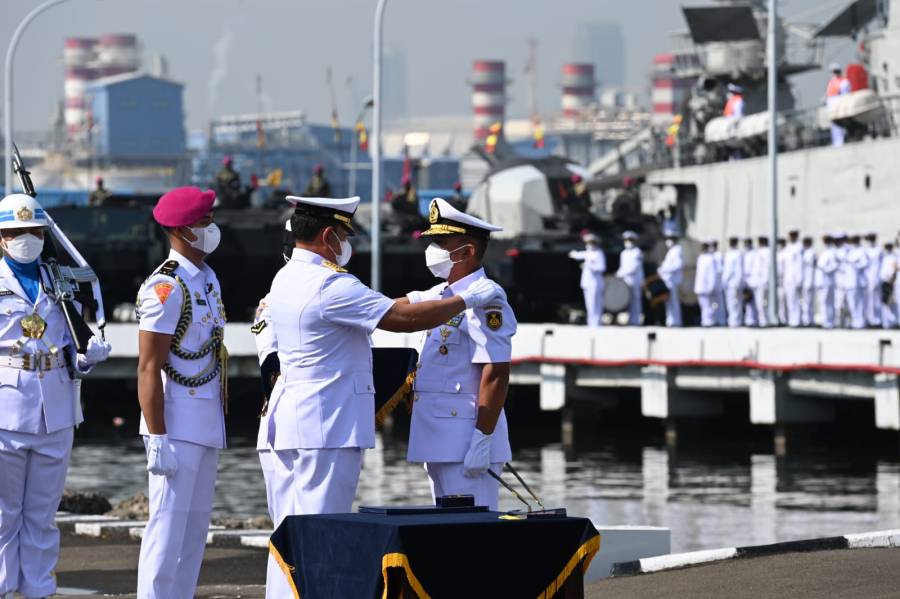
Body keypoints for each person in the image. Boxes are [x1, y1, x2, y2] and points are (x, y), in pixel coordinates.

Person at [262, 195, 502, 598]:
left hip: (293, 423)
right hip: (327, 428)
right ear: (328, 236)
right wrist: (464, 299)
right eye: (343, 235)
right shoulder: (329, 283)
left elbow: (494, 366)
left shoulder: (285, 277)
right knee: (321, 537)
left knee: (289, 538)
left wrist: (435, 297)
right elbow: (400, 318)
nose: (345, 244)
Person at [0, 194, 111, 599]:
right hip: (5, 408)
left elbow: (70, 344)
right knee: (3, 513)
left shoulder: (60, 281)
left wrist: (85, 358)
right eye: (17, 232)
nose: (26, 239)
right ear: (1, 237)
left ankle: (38, 589)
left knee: (43, 513)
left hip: (56, 407)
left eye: (34, 231)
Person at [135, 187, 227, 599]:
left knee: (194, 533)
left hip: (206, 419)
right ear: (183, 230)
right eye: (205, 222)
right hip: (174, 424)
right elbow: (148, 366)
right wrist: (157, 436)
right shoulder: (166, 287)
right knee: (167, 529)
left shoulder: (207, 278)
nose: (211, 229)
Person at [406, 197, 516, 510]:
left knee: (472, 532)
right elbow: (392, 309)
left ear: (467, 252)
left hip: (467, 442)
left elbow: (496, 371)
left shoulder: (487, 299)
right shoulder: (443, 294)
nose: (433, 250)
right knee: (447, 531)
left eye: (441, 243)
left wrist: (482, 439)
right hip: (439, 441)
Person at [569, 232, 606, 327]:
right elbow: (579, 255)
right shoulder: (588, 253)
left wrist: (589, 265)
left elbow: (601, 267)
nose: (590, 244)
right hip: (587, 283)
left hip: (595, 283)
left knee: (596, 304)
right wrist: (574, 254)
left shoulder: (598, 253)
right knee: (589, 304)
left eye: (592, 242)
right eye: (588, 242)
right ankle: (591, 323)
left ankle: (597, 323)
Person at [657, 229, 684, 326]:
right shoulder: (671, 251)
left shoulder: (677, 250)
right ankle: (670, 321)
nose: (668, 241)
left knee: (673, 301)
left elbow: (678, 265)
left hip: (673, 280)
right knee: (668, 302)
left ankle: (676, 321)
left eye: (670, 239)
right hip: (668, 280)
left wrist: (664, 269)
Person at [617, 231, 644, 325]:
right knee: (626, 301)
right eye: (627, 240)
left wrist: (621, 274)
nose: (628, 242)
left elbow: (634, 267)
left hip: (635, 280)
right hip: (626, 280)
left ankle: (635, 321)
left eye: (630, 240)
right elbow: (622, 267)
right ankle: (630, 320)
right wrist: (617, 274)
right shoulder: (623, 253)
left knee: (636, 301)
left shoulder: (637, 252)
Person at [816, 234, 839, 329]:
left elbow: (835, 265)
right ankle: (825, 321)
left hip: (828, 281)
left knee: (829, 302)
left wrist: (825, 269)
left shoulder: (832, 252)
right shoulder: (824, 252)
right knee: (823, 302)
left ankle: (829, 322)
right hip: (822, 281)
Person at [846, 234, 869, 329]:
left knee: (860, 303)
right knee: (852, 303)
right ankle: (854, 321)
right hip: (850, 282)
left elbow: (865, 263)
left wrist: (856, 264)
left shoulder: (862, 251)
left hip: (859, 282)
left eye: (855, 240)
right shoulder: (849, 251)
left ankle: (860, 322)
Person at [783, 228, 805, 327]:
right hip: (788, 278)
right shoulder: (788, 247)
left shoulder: (799, 247)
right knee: (790, 300)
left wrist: (799, 279)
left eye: (793, 235)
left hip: (795, 279)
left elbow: (799, 265)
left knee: (796, 300)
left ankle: (796, 321)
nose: (791, 237)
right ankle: (791, 320)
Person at [826, 63, 851, 146]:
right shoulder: (832, 81)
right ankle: (836, 142)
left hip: (839, 105)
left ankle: (841, 141)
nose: (835, 73)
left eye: (836, 71)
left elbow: (845, 94)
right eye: (834, 72)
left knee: (841, 124)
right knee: (834, 125)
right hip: (832, 106)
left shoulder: (844, 81)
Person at [749, 236, 771, 327]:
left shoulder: (767, 252)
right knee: (759, 303)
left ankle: (764, 321)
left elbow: (766, 268)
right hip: (757, 282)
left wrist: (765, 281)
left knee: (762, 303)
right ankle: (761, 320)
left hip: (762, 281)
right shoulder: (758, 252)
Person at [694, 241, 717, 327]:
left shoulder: (710, 258)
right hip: (700, 285)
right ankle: (705, 321)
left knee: (709, 305)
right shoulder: (700, 258)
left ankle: (709, 322)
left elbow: (712, 274)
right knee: (703, 305)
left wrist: (711, 286)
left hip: (707, 286)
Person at [723, 236, 744, 327]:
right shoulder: (728, 253)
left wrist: (737, 283)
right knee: (730, 304)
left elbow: (739, 270)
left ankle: (737, 321)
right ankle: (732, 321)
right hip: (728, 284)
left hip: (734, 283)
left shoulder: (738, 254)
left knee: (736, 303)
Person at [864, 232, 883, 328]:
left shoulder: (879, 250)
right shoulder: (866, 251)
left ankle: (878, 320)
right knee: (869, 300)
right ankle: (870, 320)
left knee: (877, 300)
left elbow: (881, 265)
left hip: (877, 277)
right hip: (868, 278)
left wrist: (879, 277)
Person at [880, 242, 898, 329]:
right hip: (884, 281)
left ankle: (893, 321)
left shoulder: (893, 258)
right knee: (885, 302)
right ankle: (887, 322)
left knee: (890, 302)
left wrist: (891, 281)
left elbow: (894, 270)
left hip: (890, 282)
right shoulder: (885, 257)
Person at [800, 236, 817, 327]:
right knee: (805, 302)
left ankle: (809, 320)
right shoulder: (803, 252)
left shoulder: (811, 253)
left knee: (808, 302)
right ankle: (807, 320)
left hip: (809, 281)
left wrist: (810, 282)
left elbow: (812, 268)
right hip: (804, 281)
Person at [742, 237, 757, 326]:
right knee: (747, 301)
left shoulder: (754, 254)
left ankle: (753, 320)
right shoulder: (745, 254)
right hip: (745, 280)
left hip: (752, 279)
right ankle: (748, 320)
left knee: (753, 302)